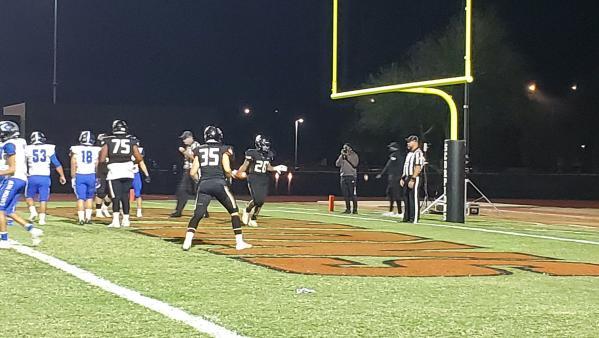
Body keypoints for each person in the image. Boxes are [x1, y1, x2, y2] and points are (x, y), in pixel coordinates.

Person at [182, 126, 251, 251]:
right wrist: (234, 175)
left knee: (197, 214)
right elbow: (227, 170)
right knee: (234, 211)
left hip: (204, 185)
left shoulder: (199, 150)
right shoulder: (223, 149)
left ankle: (187, 241)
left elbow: (192, 172)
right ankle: (239, 242)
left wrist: (200, 181)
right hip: (219, 184)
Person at [98, 120, 150, 228]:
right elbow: (139, 157)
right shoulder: (131, 140)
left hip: (114, 170)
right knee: (125, 196)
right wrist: (130, 161)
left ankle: (116, 220)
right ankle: (126, 220)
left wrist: (108, 163)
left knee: (115, 196)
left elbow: (102, 159)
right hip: (128, 171)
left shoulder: (108, 140)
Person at [0, 121, 43, 249]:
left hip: (13, 179)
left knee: (0, 209)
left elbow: (12, 169)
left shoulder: (10, 145)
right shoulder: (20, 143)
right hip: (21, 179)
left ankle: (4, 239)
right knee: (8, 210)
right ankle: (32, 230)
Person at [236, 134, 287, 227]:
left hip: (263, 178)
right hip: (253, 177)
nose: (267, 147)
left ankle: (253, 218)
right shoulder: (252, 153)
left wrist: (276, 168)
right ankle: (247, 211)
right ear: (259, 144)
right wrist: (239, 172)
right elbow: (245, 165)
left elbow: (268, 167)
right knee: (257, 199)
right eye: (265, 145)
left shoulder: (269, 154)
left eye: (267, 145)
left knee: (261, 201)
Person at [24, 131, 67, 224]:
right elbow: (56, 163)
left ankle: (33, 212)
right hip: (45, 177)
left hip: (32, 176)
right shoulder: (49, 148)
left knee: (28, 196)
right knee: (43, 199)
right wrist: (62, 175)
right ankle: (42, 220)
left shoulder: (27, 149)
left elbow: (23, 163)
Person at [70, 131, 101, 225]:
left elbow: (73, 163)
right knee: (89, 198)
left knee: (80, 198)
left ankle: (81, 219)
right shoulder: (96, 150)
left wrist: (73, 177)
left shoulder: (76, 149)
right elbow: (97, 164)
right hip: (91, 175)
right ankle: (88, 218)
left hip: (80, 175)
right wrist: (97, 176)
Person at [171, 130, 201, 217]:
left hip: (195, 170)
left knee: (198, 191)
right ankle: (178, 210)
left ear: (190, 138)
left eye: (185, 138)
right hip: (187, 170)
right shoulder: (188, 146)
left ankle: (203, 211)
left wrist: (184, 152)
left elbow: (196, 158)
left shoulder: (196, 145)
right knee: (182, 190)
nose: (184, 141)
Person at [401, 135, 425, 223]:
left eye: (409, 142)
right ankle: (406, 217)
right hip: (407, 176)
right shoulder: (409, 153)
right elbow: (406, 166)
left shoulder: (418, 153)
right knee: (406, 197)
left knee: (413, 197)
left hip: (414, 177)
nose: (408, 143)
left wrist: (413, 179)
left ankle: (414, 218)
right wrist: (403, 178)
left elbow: (418, 167)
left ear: (415, 141)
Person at [377, 141, 404, 217]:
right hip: (392, 177)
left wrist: (381, 174)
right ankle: (391, 210)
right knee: (390, 193)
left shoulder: (396, 155)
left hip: (395, 177)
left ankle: (399, 212)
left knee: (396, 194)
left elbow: (388, 165)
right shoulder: (395, 155)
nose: (390, 148)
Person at [335, 143, 359, 214]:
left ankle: (355, 209)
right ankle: (347, 209)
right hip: (343, 176)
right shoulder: (342, 155)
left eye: (346, 147)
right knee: (345, 194)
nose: (345, 149)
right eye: (344, 148)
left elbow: (355, 165)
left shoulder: (354, 155)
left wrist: (347, 158)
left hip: (351, 176)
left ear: (350, 148)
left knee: (352, 194)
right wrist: (342, 156)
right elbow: (337, 164)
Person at [94, 133, 112, 218]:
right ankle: (98, 210)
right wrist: (96, 174)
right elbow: (97, 162)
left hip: (110, 172)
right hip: (101, 173)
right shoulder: (97, 150)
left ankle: (105, 208)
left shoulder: (111, 148)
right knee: (100, 192)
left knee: (113, 193)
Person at [129, 135, 145, 218]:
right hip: (126, 173)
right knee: (123, 193)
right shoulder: (125, 149)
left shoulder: (139, 150)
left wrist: (146, 174)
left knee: (138, 193)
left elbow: (141, 161)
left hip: (135, 173)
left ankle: (139, 211)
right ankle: (123, 210)